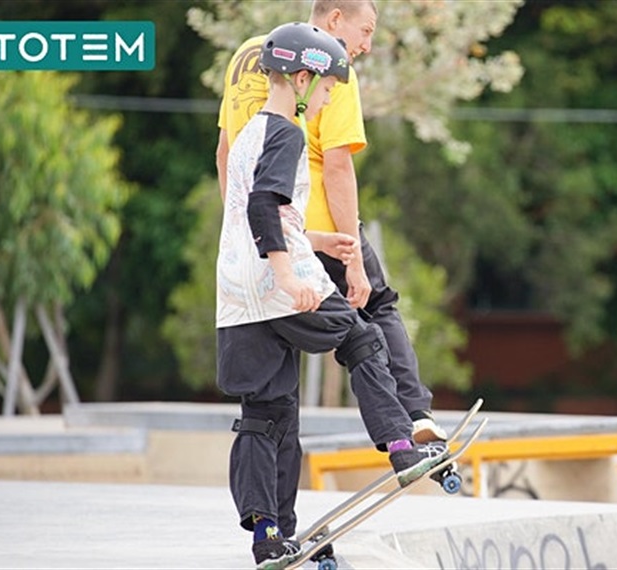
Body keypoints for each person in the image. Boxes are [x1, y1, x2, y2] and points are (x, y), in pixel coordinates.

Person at [216, 22, 447, 567]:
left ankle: (270, 534)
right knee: (364, 340)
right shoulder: (289, 132)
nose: (325, 101)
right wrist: (291, 273)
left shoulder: (249, 133)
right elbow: (263, 208)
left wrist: (314, 239)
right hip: (280, 280)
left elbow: (255, 207)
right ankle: (399, 446)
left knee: (266, 415)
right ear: (302, 79)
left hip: (236, 291)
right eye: (324, 90)